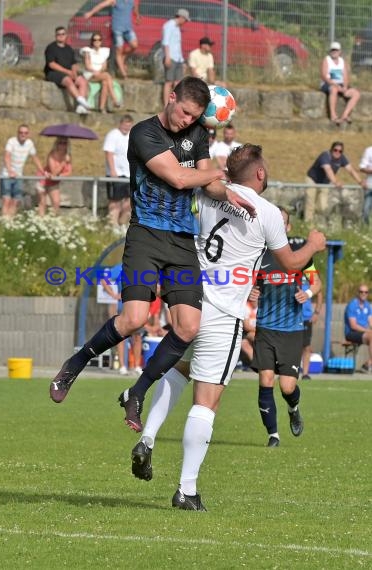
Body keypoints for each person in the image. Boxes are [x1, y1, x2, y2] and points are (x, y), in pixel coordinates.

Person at [49, 77, 255, 431]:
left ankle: (138, 391)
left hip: (182, 239)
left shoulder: (199, 135)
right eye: (184, 113)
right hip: (146, 234)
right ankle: (76, 362)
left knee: (189, 327)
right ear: (171, 98)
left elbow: (209, 183)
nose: (186, 121)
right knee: (134, 319)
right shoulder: (144, 133)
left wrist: (228, 193)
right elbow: (177, 177)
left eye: (194, 118)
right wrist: (215, 172)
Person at [128, 145, 326, 510]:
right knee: (207, 401)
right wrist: (314, 244)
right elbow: (292, 262)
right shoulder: (266, 213)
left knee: (178, 372)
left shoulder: (207, 192)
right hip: (223, 313)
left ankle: (149, 438)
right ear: (260, 174)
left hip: (190, 301)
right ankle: (187, 489)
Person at [252, 207, 322, 448]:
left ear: (288, 228)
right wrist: (251, 291)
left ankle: (293, 408)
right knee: (266, 380)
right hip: (265, 328)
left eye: (283, 223)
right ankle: (273, 436)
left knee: (287, 386)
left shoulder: (300, 256)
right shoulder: (258, 254)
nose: (279, 226)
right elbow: (250, 284)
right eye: (275, 222)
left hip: (291, 330)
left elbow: (317, 281)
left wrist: (309, 292)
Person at [304, 141, 367, 224]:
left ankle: (312, 217)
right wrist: (335, 182)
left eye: (340, 151)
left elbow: (351, 170)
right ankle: (308, 224)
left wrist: (360, 181)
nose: (337, 152)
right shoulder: (325, 156)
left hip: (324, 183)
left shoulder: (342, 158)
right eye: (335, 150)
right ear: (331, 150)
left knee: (323, 206)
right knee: (310, 203)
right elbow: (328, 170)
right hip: (312, 180)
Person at [98, 264, 142, 375]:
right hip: (123, 307)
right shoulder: (121, 267)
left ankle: (137, 366)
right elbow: (104, 280)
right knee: (121, 336)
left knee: (137, 337)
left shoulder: (144, 265)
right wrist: (114, 295)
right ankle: (122, 366)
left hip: (138, 306)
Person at [84, 0, 140, 80]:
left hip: (128, 28)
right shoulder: (114, 1)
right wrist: (90, 13)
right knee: (119, 50)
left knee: (134, 45)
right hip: (117, 29)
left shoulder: (131, 1)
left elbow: (135, 8)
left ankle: (122, 56)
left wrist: (137, 16)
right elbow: (101, 5)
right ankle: (124, 74)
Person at [0, 124, 45, 218]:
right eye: (21, 132)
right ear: (17, 133)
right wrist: (10, 171)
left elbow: (35, 158)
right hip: (7, 174)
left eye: (25, 133)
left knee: (16, 200)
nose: (23, 134)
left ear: (28, 134)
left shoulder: (29, 143)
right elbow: (7, 156)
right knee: (6, 199)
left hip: (19, 175)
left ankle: (10, 222)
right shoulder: (11, 141)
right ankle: (4, 223)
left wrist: (42, 172)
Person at [44, 26, 91, 115]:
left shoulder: (69, 49)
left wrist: (74, 73)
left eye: (63, 34)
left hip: (68, 73)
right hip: (53, 73)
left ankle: (80, 107)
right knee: (68, 80)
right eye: (59, 34)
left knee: (82, 81)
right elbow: (51, 64)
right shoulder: (51, 48)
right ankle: (82, 101)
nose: (61, 36)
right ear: (55, 36)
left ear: (66, 35)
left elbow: (73, 63)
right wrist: (67, 72)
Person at [103, 114, 134, 229]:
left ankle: (122, 224)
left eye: (129, 126)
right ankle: (113, 225)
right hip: (116, 174)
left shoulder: (131, 136)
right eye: (125, 126)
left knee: (130, 201)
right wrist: (112, 171)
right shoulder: (113, 135)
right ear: (120, 124)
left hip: (129, 174)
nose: (126, 128)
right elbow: (109, 153)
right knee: (115, 201)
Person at [320, 41, 360, 125]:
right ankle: (333, 116)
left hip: (340, 84)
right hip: (328, 83)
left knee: (356, 93)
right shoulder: (326, 60)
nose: (334, 52)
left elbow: (345, 76)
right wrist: (335, 85)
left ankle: (345, 115)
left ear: (340, 51)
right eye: (333, 50)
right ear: (330, 51)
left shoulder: (342, 61)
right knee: (334, 89)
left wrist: (345, 87)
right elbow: (324, 76)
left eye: (336, 50)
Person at [81, 33, 121, 112]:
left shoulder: (104, 52)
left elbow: (104, 66)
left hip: (100, 74)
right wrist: (95, 71)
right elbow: (87, 65)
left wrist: (99, 72)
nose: (97, 41)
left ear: (101, 41)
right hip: (90, 73)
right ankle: (114, 99)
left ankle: (101, 107)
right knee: (107, 75)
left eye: (99, 40)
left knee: (105, 83)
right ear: (92, 41)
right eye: (95, 40)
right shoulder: (88, 51)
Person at [36, 137, 72, 216]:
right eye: (60, 143)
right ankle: (40, 220)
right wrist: (63, 162)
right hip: (43, 179)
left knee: (56, 202)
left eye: (64, 143)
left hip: (54, 181)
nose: (62, 145)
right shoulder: (52, 154)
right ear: (57, 144)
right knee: (42, 202)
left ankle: (55, 221)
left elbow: (69, 172)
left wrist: (61, 175)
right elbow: (53, 172)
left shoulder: (68, 155)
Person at [162, 9, 190, 106]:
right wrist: (167, 57)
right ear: (181, 17)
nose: (185, 22)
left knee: (178, 83)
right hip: (171, 57)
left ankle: (175, 103)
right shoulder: (169, 25)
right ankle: (166, 105)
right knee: (169, 82)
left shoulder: (177, 28)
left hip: (178, 59)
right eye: (185, 20)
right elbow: (166, 42)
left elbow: (177, 46)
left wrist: (182, 61)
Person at [344, 284, 372, 373]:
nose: (363, 294)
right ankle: (368, 364)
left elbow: (371, 322)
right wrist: (368, 331)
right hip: (351, 333)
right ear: (357, 293)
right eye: (361, 292)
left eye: (366, 292)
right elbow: (353, 326)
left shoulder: (368, 306)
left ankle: (368, 363)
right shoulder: (352, 305)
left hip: (364, 333)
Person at [240, 299, 258, 367]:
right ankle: (257, 365)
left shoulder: (263, 306)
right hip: (249, 333)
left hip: (262, 332)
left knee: (245, 343)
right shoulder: (246, 307)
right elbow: (247, 327)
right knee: (244, 343)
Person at [359, 145, 372, 225]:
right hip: (370, 185)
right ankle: (365, 230)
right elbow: (362, 167)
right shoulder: (369, 150)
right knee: (366, 210)